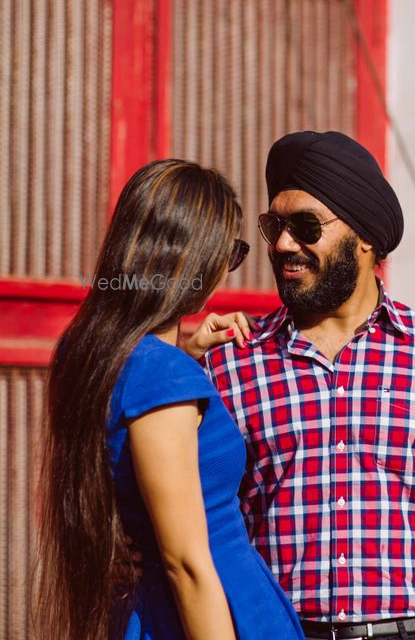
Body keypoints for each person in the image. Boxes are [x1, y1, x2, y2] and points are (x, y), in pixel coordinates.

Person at [199, 130, 415, 640]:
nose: (285, 244)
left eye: (306, 226)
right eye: (275, 225)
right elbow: (196, 525)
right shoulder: (232, 363)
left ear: (365, 236)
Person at [36, 159, 305, 640]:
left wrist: (185, 352)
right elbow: (185, 562)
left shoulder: (101, 354)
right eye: (231, 252)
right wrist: (176, 369)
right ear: (193, 255)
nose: (227, 269)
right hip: (213, 612)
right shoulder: (159, 373)